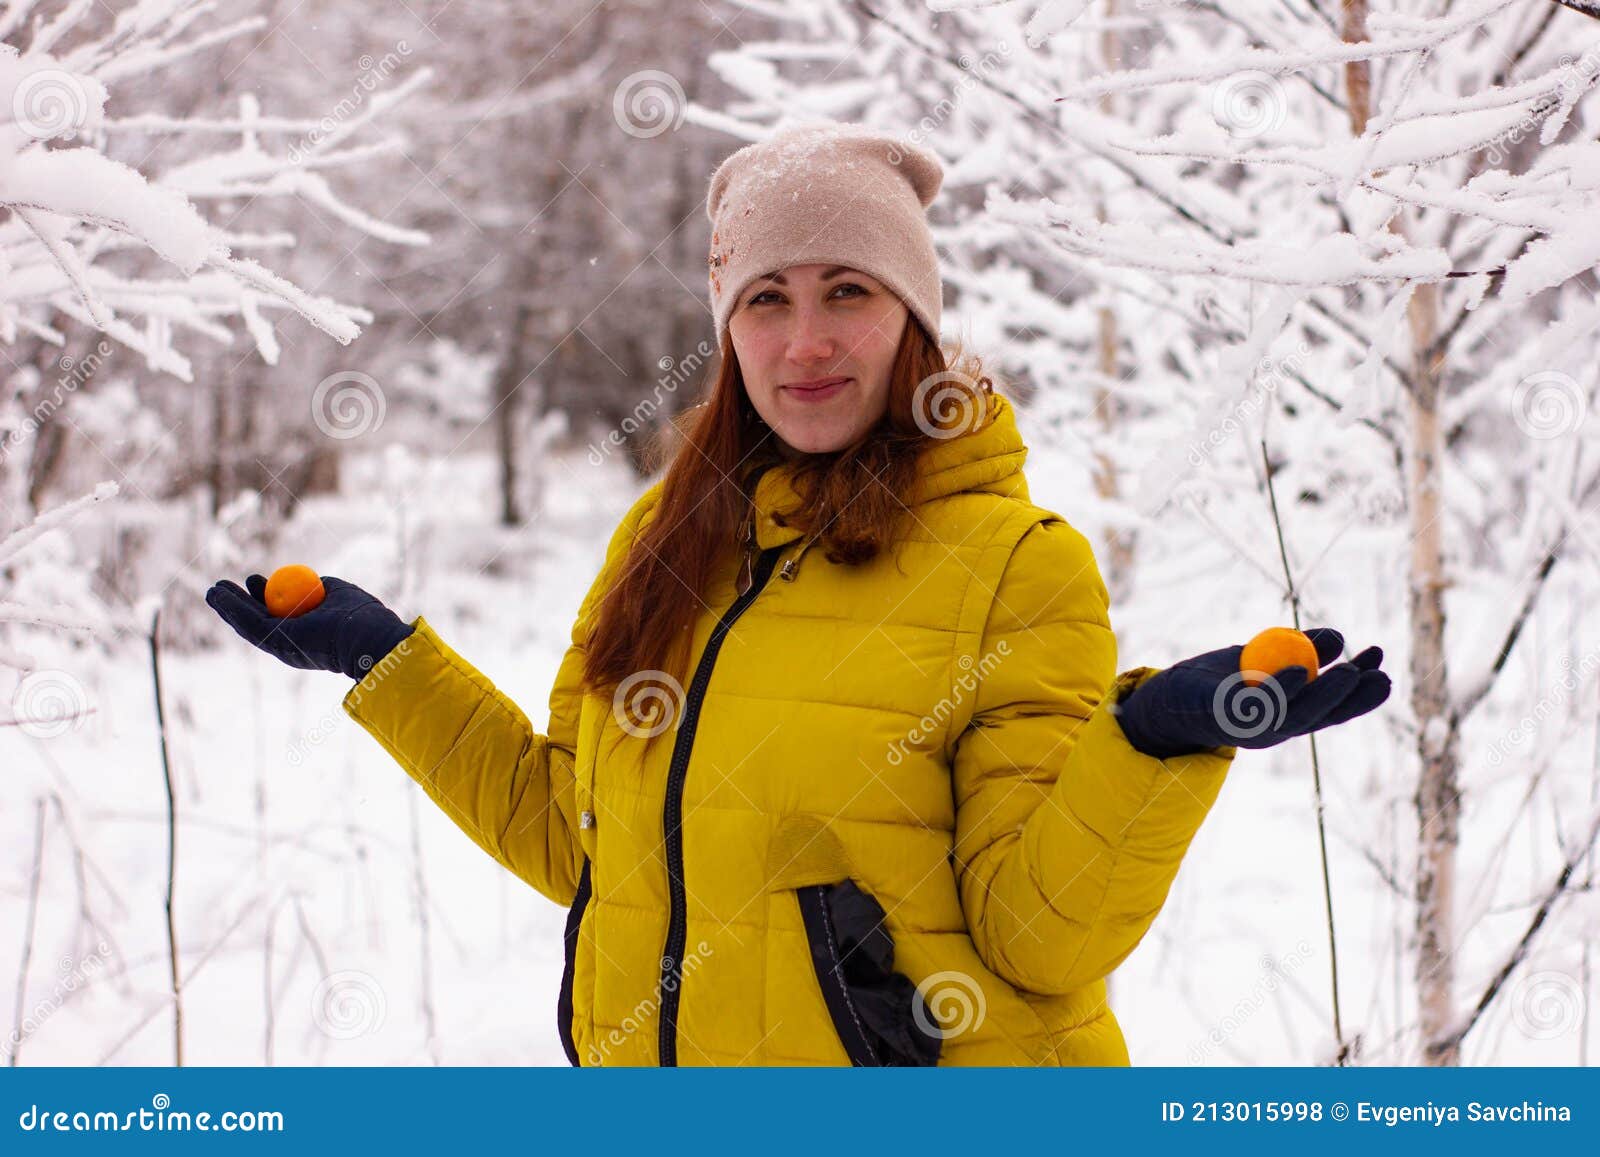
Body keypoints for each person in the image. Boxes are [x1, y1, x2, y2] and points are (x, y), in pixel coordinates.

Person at [206, 120, 1390, 1067]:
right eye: (765, 298)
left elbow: (1040, 934)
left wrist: (1148, 743)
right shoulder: (661, 540)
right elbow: (583, 841)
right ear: (727, 332)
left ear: (913, 319)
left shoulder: (1013, 563)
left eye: (849, 292)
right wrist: (388, 664)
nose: (806, 340)